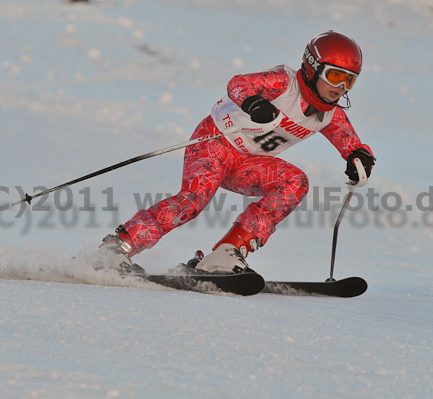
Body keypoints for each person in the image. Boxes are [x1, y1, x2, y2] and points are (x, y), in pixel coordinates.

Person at [100, 30, 375, 274]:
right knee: (192, 201)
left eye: (349, 81)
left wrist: (358, 156)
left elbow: (348, 140)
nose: (340, 88)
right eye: (335, 76)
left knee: (295, 183)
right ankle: (118, 247)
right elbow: (238, 84)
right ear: (313, 67)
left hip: (249, 164)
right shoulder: (283, 83)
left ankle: (224, 254)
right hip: (215, 143)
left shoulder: (330, 114)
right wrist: (254, 103)